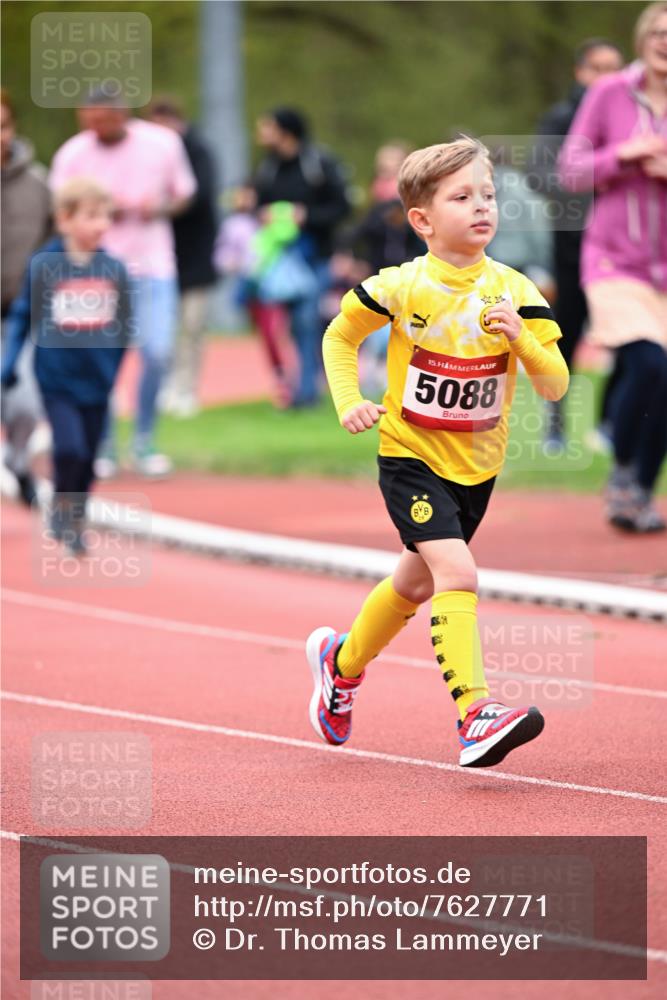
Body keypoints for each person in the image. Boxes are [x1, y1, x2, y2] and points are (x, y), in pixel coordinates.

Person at [306, 137, 569, 767]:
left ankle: (340, 665)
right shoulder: (401, 285)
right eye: (462, 197)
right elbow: (340, 336)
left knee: (414, 581)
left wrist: (522, 340)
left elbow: (556, 383)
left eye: (488, 195)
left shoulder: (515, 290)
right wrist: (349, 400)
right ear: (422, 220)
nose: (482, 206)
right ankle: (476, 714)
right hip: (409, 454)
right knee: (457, 573)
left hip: (477, 466)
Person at [560, 2, 667, 532]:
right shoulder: (609, 94)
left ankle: (642, 490)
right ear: (643, 38)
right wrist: (625, 154)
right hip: (614, 259)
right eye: (660, 32)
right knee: (648, 364)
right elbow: (571, 170)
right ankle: (623, 471)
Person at [50, 91, 196, 476]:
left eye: (103, 121)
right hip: (96, 271)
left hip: (153, 265)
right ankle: (104, 443)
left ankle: (144, 439)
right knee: (99, 360)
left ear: (122, 114)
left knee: (157, 352)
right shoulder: (73, 153)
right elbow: (59, 208)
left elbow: (185, 195)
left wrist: (157, 208)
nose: (95, 129)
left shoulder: (162, 143)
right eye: (89, 122)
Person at [1, 178, 131, 554]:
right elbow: (23, 316)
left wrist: (114, 371)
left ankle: (74, 516)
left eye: (105, 216)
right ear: (65, 219)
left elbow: (123, 327)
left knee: (88, 456)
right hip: (57, 378)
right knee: (69, 447)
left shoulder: (114, 269)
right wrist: (9, 364)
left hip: (98, 379)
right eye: (91, 216)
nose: (101, 224)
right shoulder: (45, 266)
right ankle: (64, 512)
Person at [532, 38, 623, 446]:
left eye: (614, 68)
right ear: (579, 72)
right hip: (573, 246)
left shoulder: (633, 116)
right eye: (597, 68)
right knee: (565, 333)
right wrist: (589, 185)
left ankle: (610, 422)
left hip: (623, 248)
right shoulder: (561, 118)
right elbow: (539, 174)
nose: (606, 77)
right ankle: (555, 424)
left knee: (629, 336)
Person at [254, 107, 350, 406]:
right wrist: (263, 214)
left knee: (307, 320)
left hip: (315, 256)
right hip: (280, 260)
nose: (261, 133)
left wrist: (305, 216)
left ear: (286, 131)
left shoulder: (317, 163)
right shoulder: (269, 167)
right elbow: (259, 203)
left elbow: (342, 207)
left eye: (268, 126)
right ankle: (300, 384)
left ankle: (307, 391)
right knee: (288, 325)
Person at [147, 97, 218, 417]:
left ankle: (186, 388)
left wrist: (162, 206)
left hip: (196, 256)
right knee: (163, 329)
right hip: (162, 256)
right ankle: (166, 385)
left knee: (192, 326)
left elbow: (199, 197)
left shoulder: (198, 151)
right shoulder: (151, 154)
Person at [1, 89, 51, 505]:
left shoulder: (39, 183)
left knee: (25, 406)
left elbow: (55, 244)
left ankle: (18, 462)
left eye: (2, 126)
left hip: (22, 315)